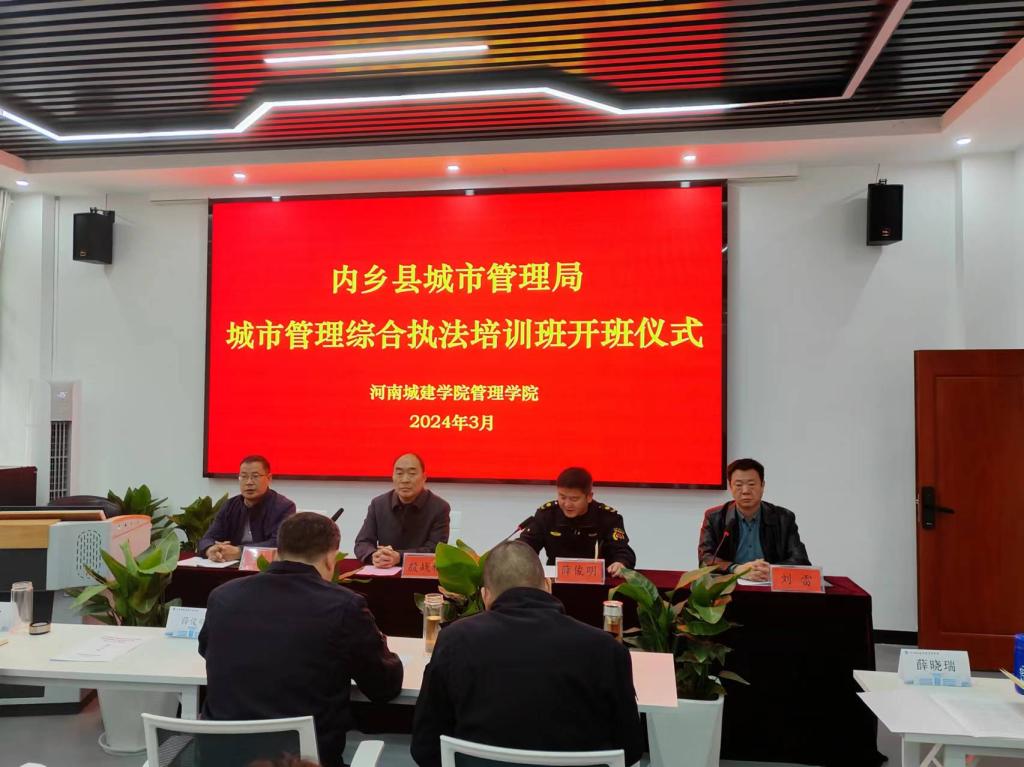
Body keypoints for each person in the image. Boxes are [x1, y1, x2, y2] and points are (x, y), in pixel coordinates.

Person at [410, 541, 644, 767]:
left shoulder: (454, 641)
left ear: (485, 596)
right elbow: (630, 749)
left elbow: (425, 747)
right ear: (548, 585)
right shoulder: (605, 648)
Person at [199, 512, 403, 767]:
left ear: (278, 551)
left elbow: (206, 649)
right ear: (330, 558)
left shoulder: (222, 596)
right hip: (303, 761)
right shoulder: (343, 605)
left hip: (221, 758)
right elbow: (383, 687)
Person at [698, 457, 811, 581]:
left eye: (751, 484)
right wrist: (736, 569)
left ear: (762, 486)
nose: (745, 491)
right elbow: (705, 559)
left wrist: (771, 570)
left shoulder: (783, 518)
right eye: (738, 485)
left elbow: (801, 560)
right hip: (729, 586)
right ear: (730, 487)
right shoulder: (715, 517)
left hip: (769, 584)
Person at [519, 466, 635, 576]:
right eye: (562, 497)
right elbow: (526, 545)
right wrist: (516, 553)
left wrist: (621, 562)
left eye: (574, 499)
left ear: (589, 497)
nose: (567, 504)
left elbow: (622, 550)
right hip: (556, 583)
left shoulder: (607, 518)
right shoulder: (547, 515)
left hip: (597, 584)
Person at [353, 453, 450, 566]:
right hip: (384, 572)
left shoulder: (440, 508)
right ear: (393, 477)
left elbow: (435, 550)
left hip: (419, 574)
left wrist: (399, 557)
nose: (405, 480)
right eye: (399, 473)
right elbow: (362, 542)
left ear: (424, 477)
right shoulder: (378, 504)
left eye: (412, 474)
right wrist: (373, 555)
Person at [198, 455, 296, 562]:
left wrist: (240, 552)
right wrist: (210, 549)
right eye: (243, 476)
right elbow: (207, 539)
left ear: (269, 478)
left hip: (266, 567)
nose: (249, 482)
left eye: (255, 476)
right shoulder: (230, 506)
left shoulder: (284, 507)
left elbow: (279, 543)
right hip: (229, 565)